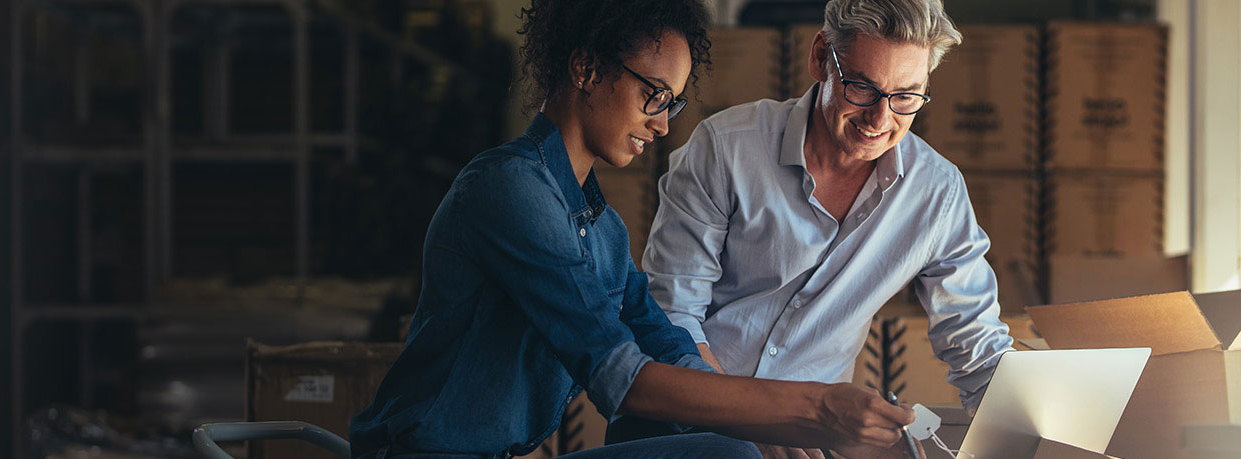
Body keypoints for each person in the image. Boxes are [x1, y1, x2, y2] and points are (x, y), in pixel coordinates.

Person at [350, 1, 920, 458]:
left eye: (673, 103)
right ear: (586, 67)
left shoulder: (601, 227)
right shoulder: (509, 189)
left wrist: (770, 425)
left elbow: (666, 344)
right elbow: (620, 378)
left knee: (729, 448)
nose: (663, 123)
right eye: (653, 94)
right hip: (422, 452)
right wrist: (814, 411)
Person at [622, 0, 1016, 457]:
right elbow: (672, 319)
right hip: (683, 427)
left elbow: (977, 346)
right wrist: (761, 423)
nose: (880, 120)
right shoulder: (725, 149)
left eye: (906, 96)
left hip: (811, 445)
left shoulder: (937, 194)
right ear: (819, 57)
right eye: (862, 88)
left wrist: (1036, 432)